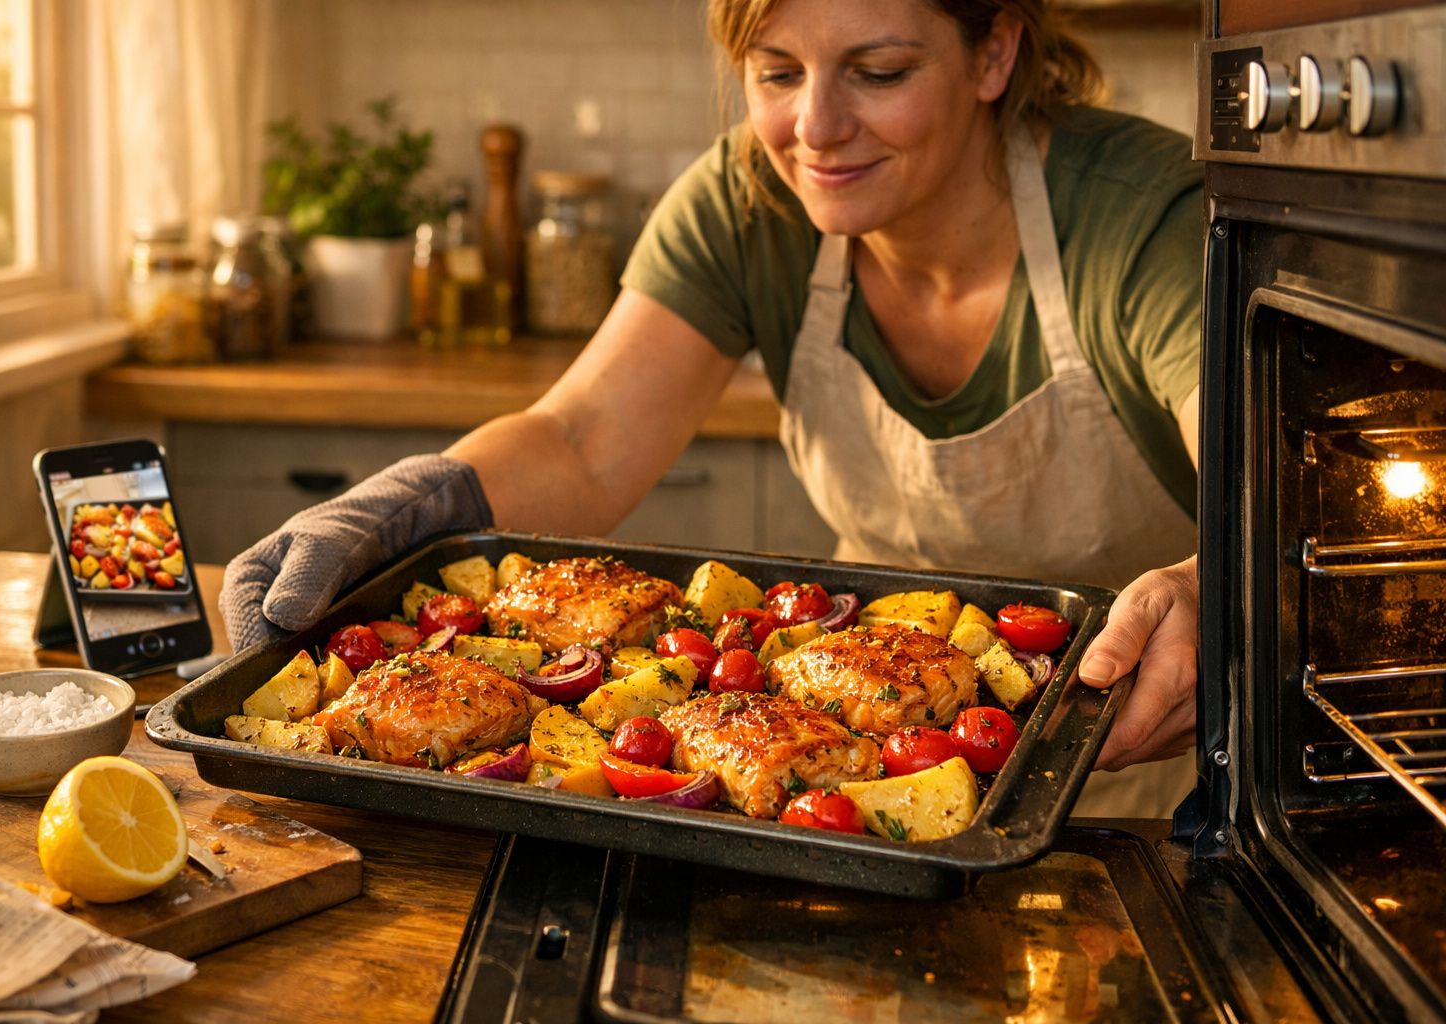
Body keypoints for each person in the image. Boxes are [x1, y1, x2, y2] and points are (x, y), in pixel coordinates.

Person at [220, 0, 1202, 817]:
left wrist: (1215, 585)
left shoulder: (1145, 218)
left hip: (1144, 790)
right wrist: (410, 505)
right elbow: (582, 440)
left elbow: (1279, 505)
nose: (815, 128)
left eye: (880, 71)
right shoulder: (750, 200)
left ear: (994, 52)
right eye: (777, 74)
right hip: (849, 765)